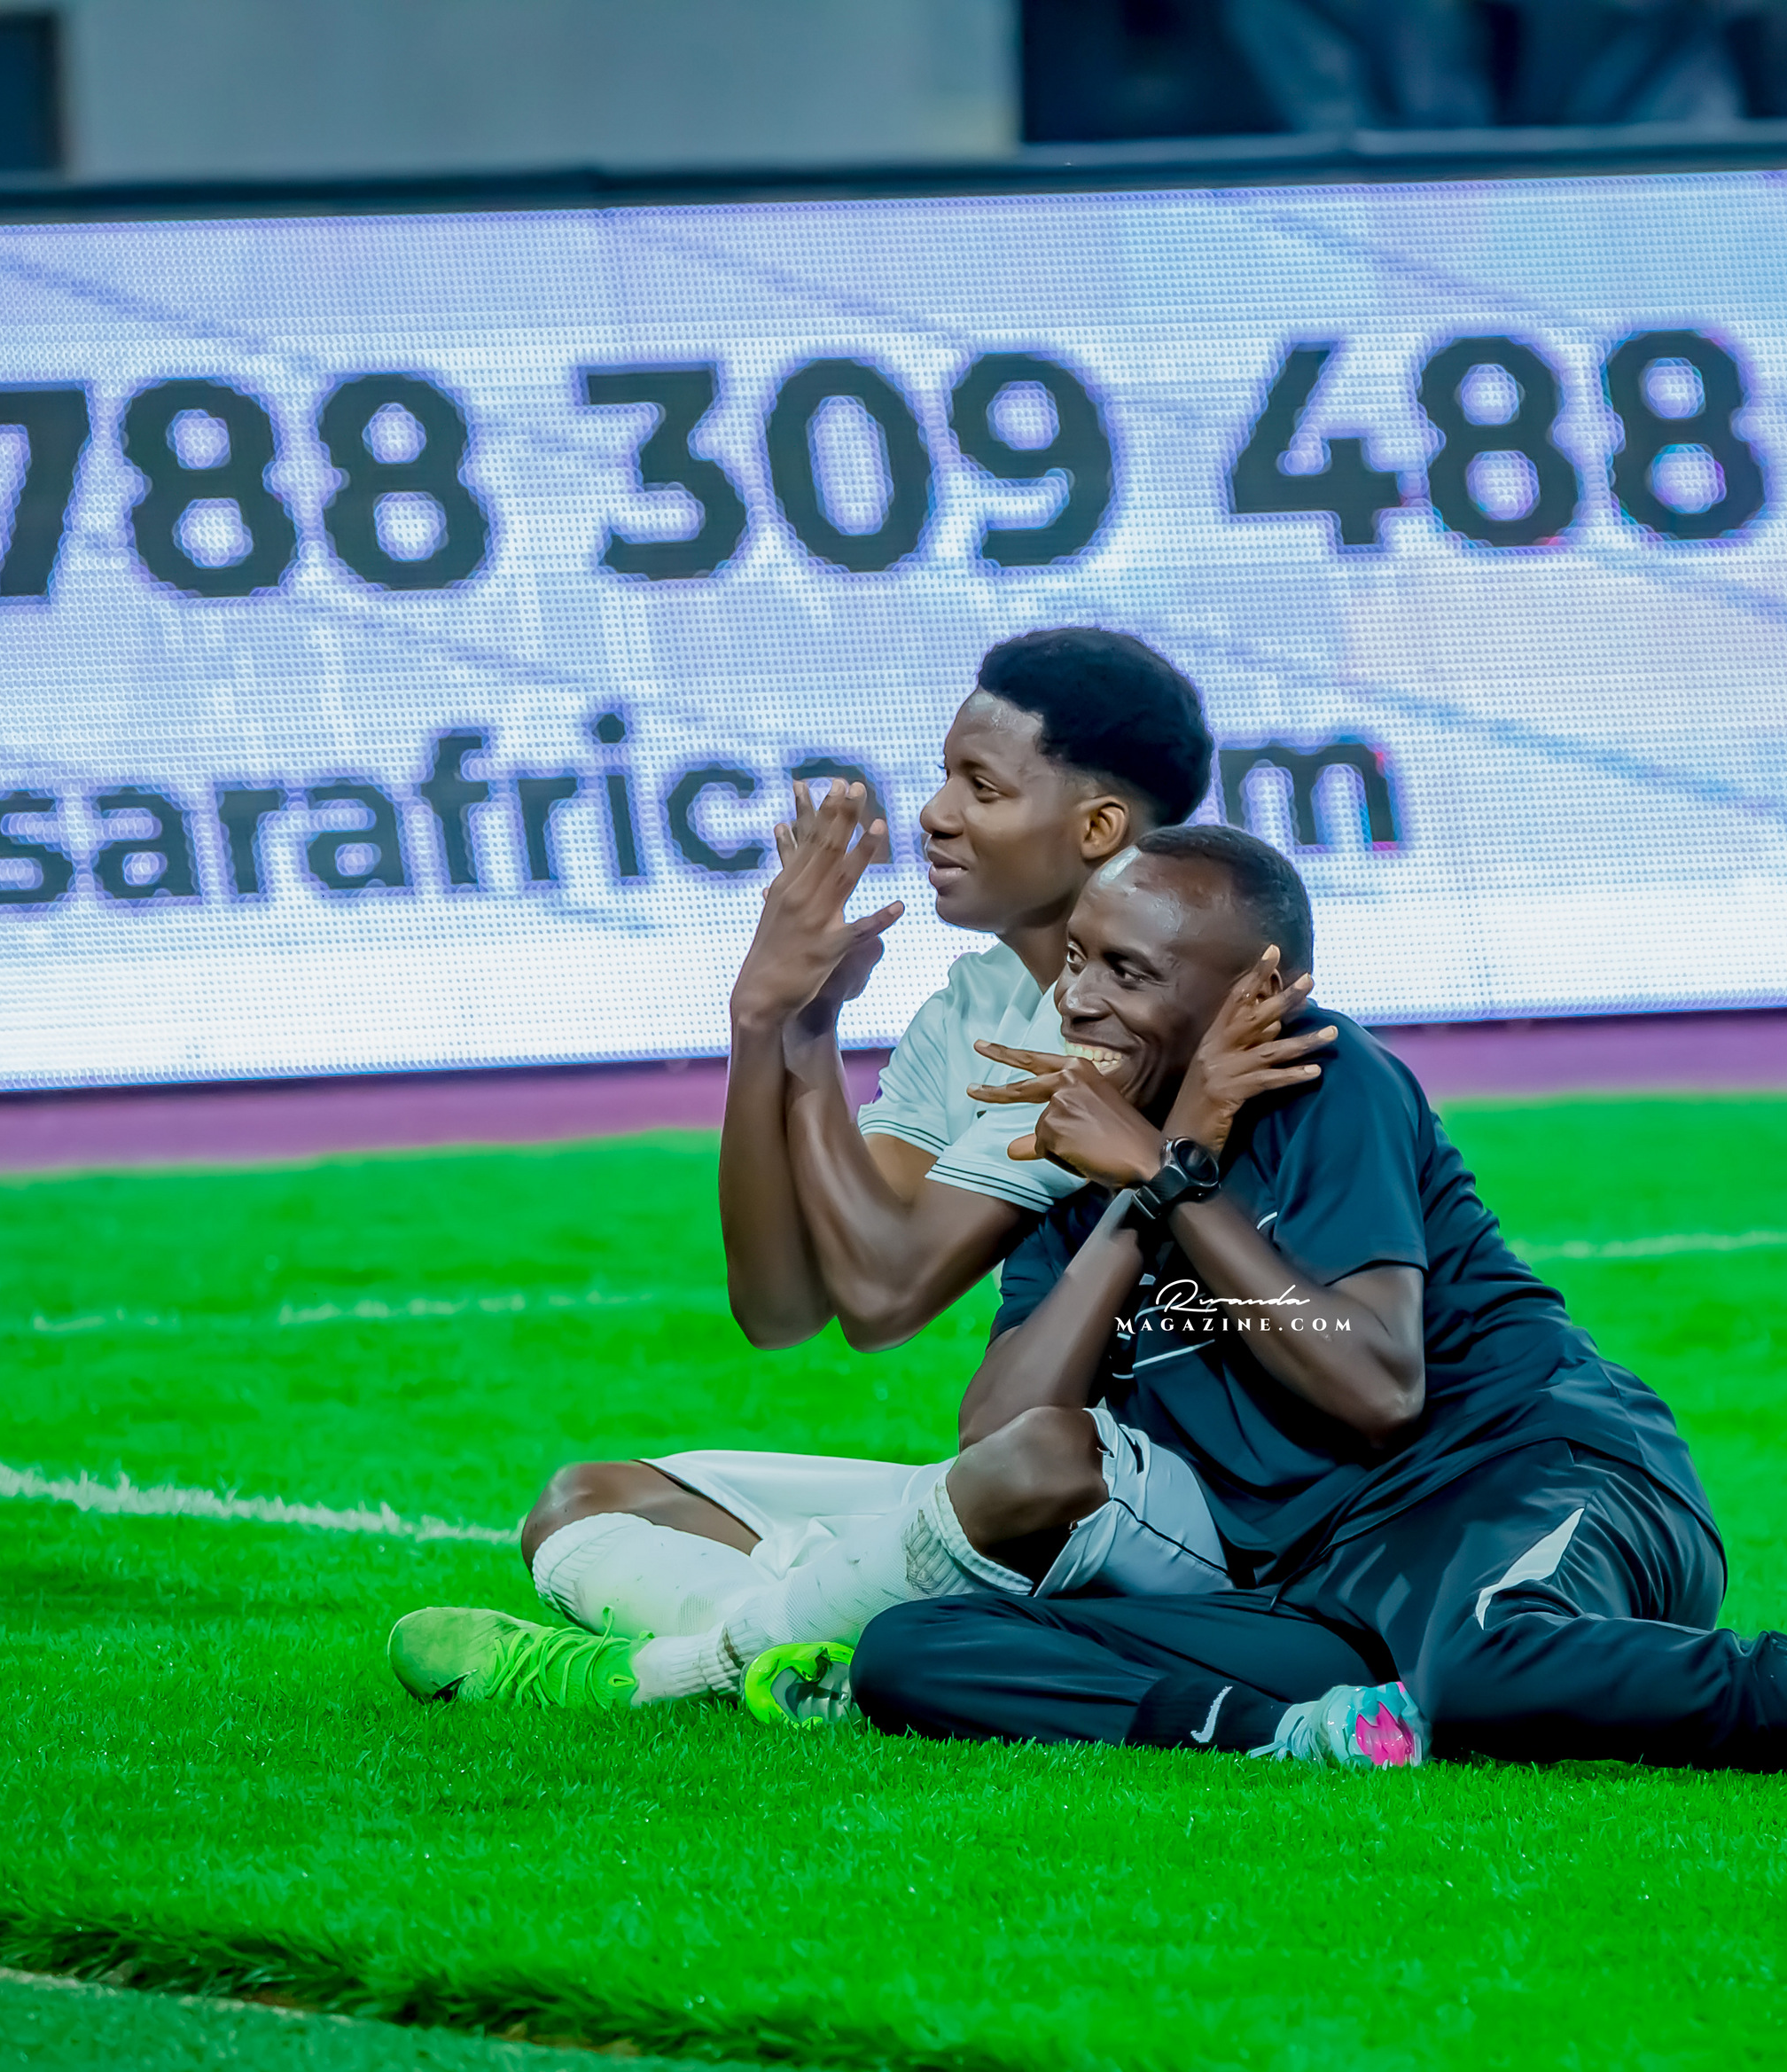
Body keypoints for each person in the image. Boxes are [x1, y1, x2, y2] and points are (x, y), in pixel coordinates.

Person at [836, 826, 1787, 1800]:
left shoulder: (1329, 1080)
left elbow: (1374, 1384)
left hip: (1533, 1478)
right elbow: (997, 1443)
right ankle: (1294, 1734)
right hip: (1320, 1595)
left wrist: (1171, 1176)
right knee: (913, 1653)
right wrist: (1144, 1190)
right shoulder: (1086, 1156)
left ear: (1258, 993)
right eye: (1076, 958)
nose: (1077, 998)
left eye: (1127, 973)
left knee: (1485, 1670)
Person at [388, 630, 1282, 1716]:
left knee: (985, 1486)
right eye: (945, 776)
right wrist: (763, 1024)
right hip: (1035, 1482)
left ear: (1096, 828)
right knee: (585, 1503)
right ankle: (814, 1644)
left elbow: (882, 1293)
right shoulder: (975, 1005)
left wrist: (809, 1038)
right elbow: (782, 1303)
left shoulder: (1112, 1029)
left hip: (1150, 1501)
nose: (935, 815)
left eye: (981, 787)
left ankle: (679, 1672)